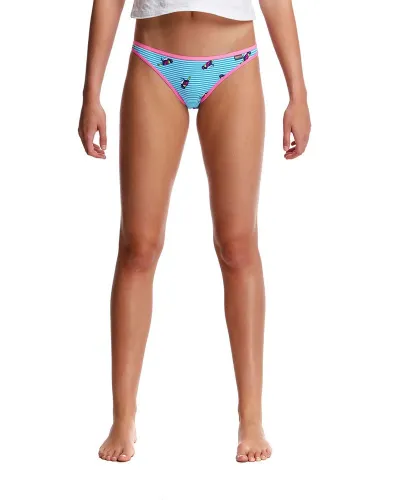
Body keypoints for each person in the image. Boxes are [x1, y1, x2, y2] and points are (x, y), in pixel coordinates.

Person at [78, 0, 311, 463]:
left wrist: (298, 93)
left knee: (237, 244)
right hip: (153, 59)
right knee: (139, 246)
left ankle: (251, 419)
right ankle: (123, 418)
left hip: (234, 62)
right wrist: (91, 92)